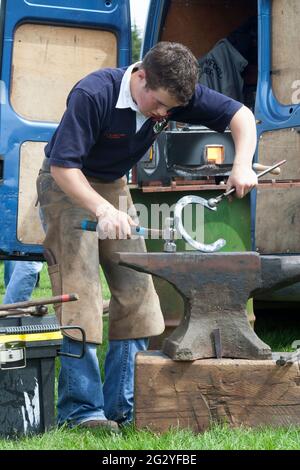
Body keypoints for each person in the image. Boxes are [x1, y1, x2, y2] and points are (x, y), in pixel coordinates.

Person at [36, 41, 257, 431]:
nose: (164, 114)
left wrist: (241, 166)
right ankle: (82, 412)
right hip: (67, 186)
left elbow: (241, 115)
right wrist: (102, 210)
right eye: (159, 105)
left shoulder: (172, 92)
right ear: (141, 76)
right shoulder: (94, 93)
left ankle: (122, 405)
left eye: (171, 109)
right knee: (80, 294)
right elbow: (62, 167)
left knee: (138, 294)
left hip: (113, 183)